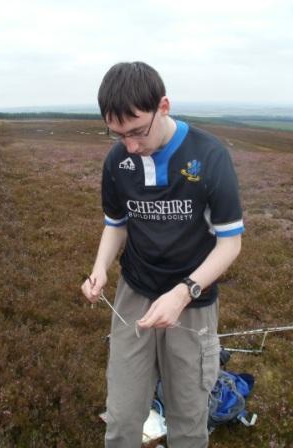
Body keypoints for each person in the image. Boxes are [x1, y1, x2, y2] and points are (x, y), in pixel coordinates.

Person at [81, 61, 244, 448]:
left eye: (138, 131)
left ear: (164, 106)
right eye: (118, 135)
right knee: (121, 418)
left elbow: (230, 243)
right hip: (134, 294)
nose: (131, 146)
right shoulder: (117, 162)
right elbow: (116, 224)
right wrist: (100, 269)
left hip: (193, 301)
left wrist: (184, 291)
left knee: (188, 418)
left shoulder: (210, 156)